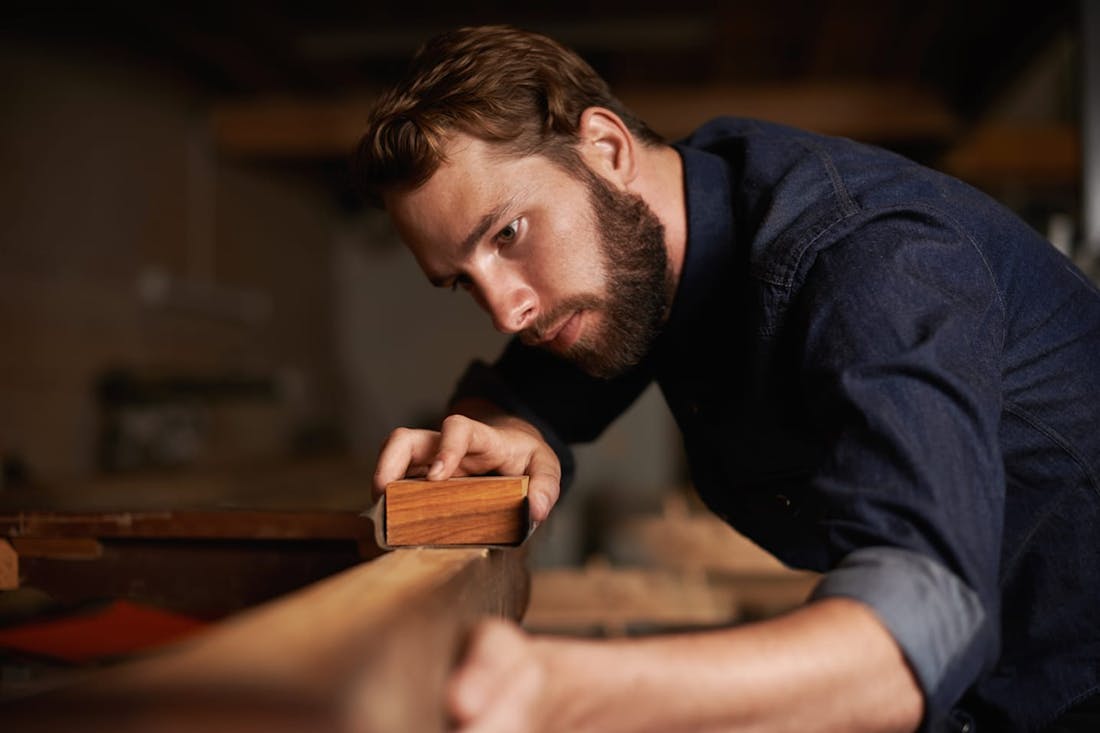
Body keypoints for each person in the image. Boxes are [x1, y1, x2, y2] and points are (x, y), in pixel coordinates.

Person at [355, 25, 1100, 733]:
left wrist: (566, 692)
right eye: (461, 281)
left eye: (508, 233)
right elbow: (520, 397)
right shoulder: (652, 242)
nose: (506, 311)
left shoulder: (875, 264)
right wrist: (508, 430)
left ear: (608, 149)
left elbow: (912, 635)